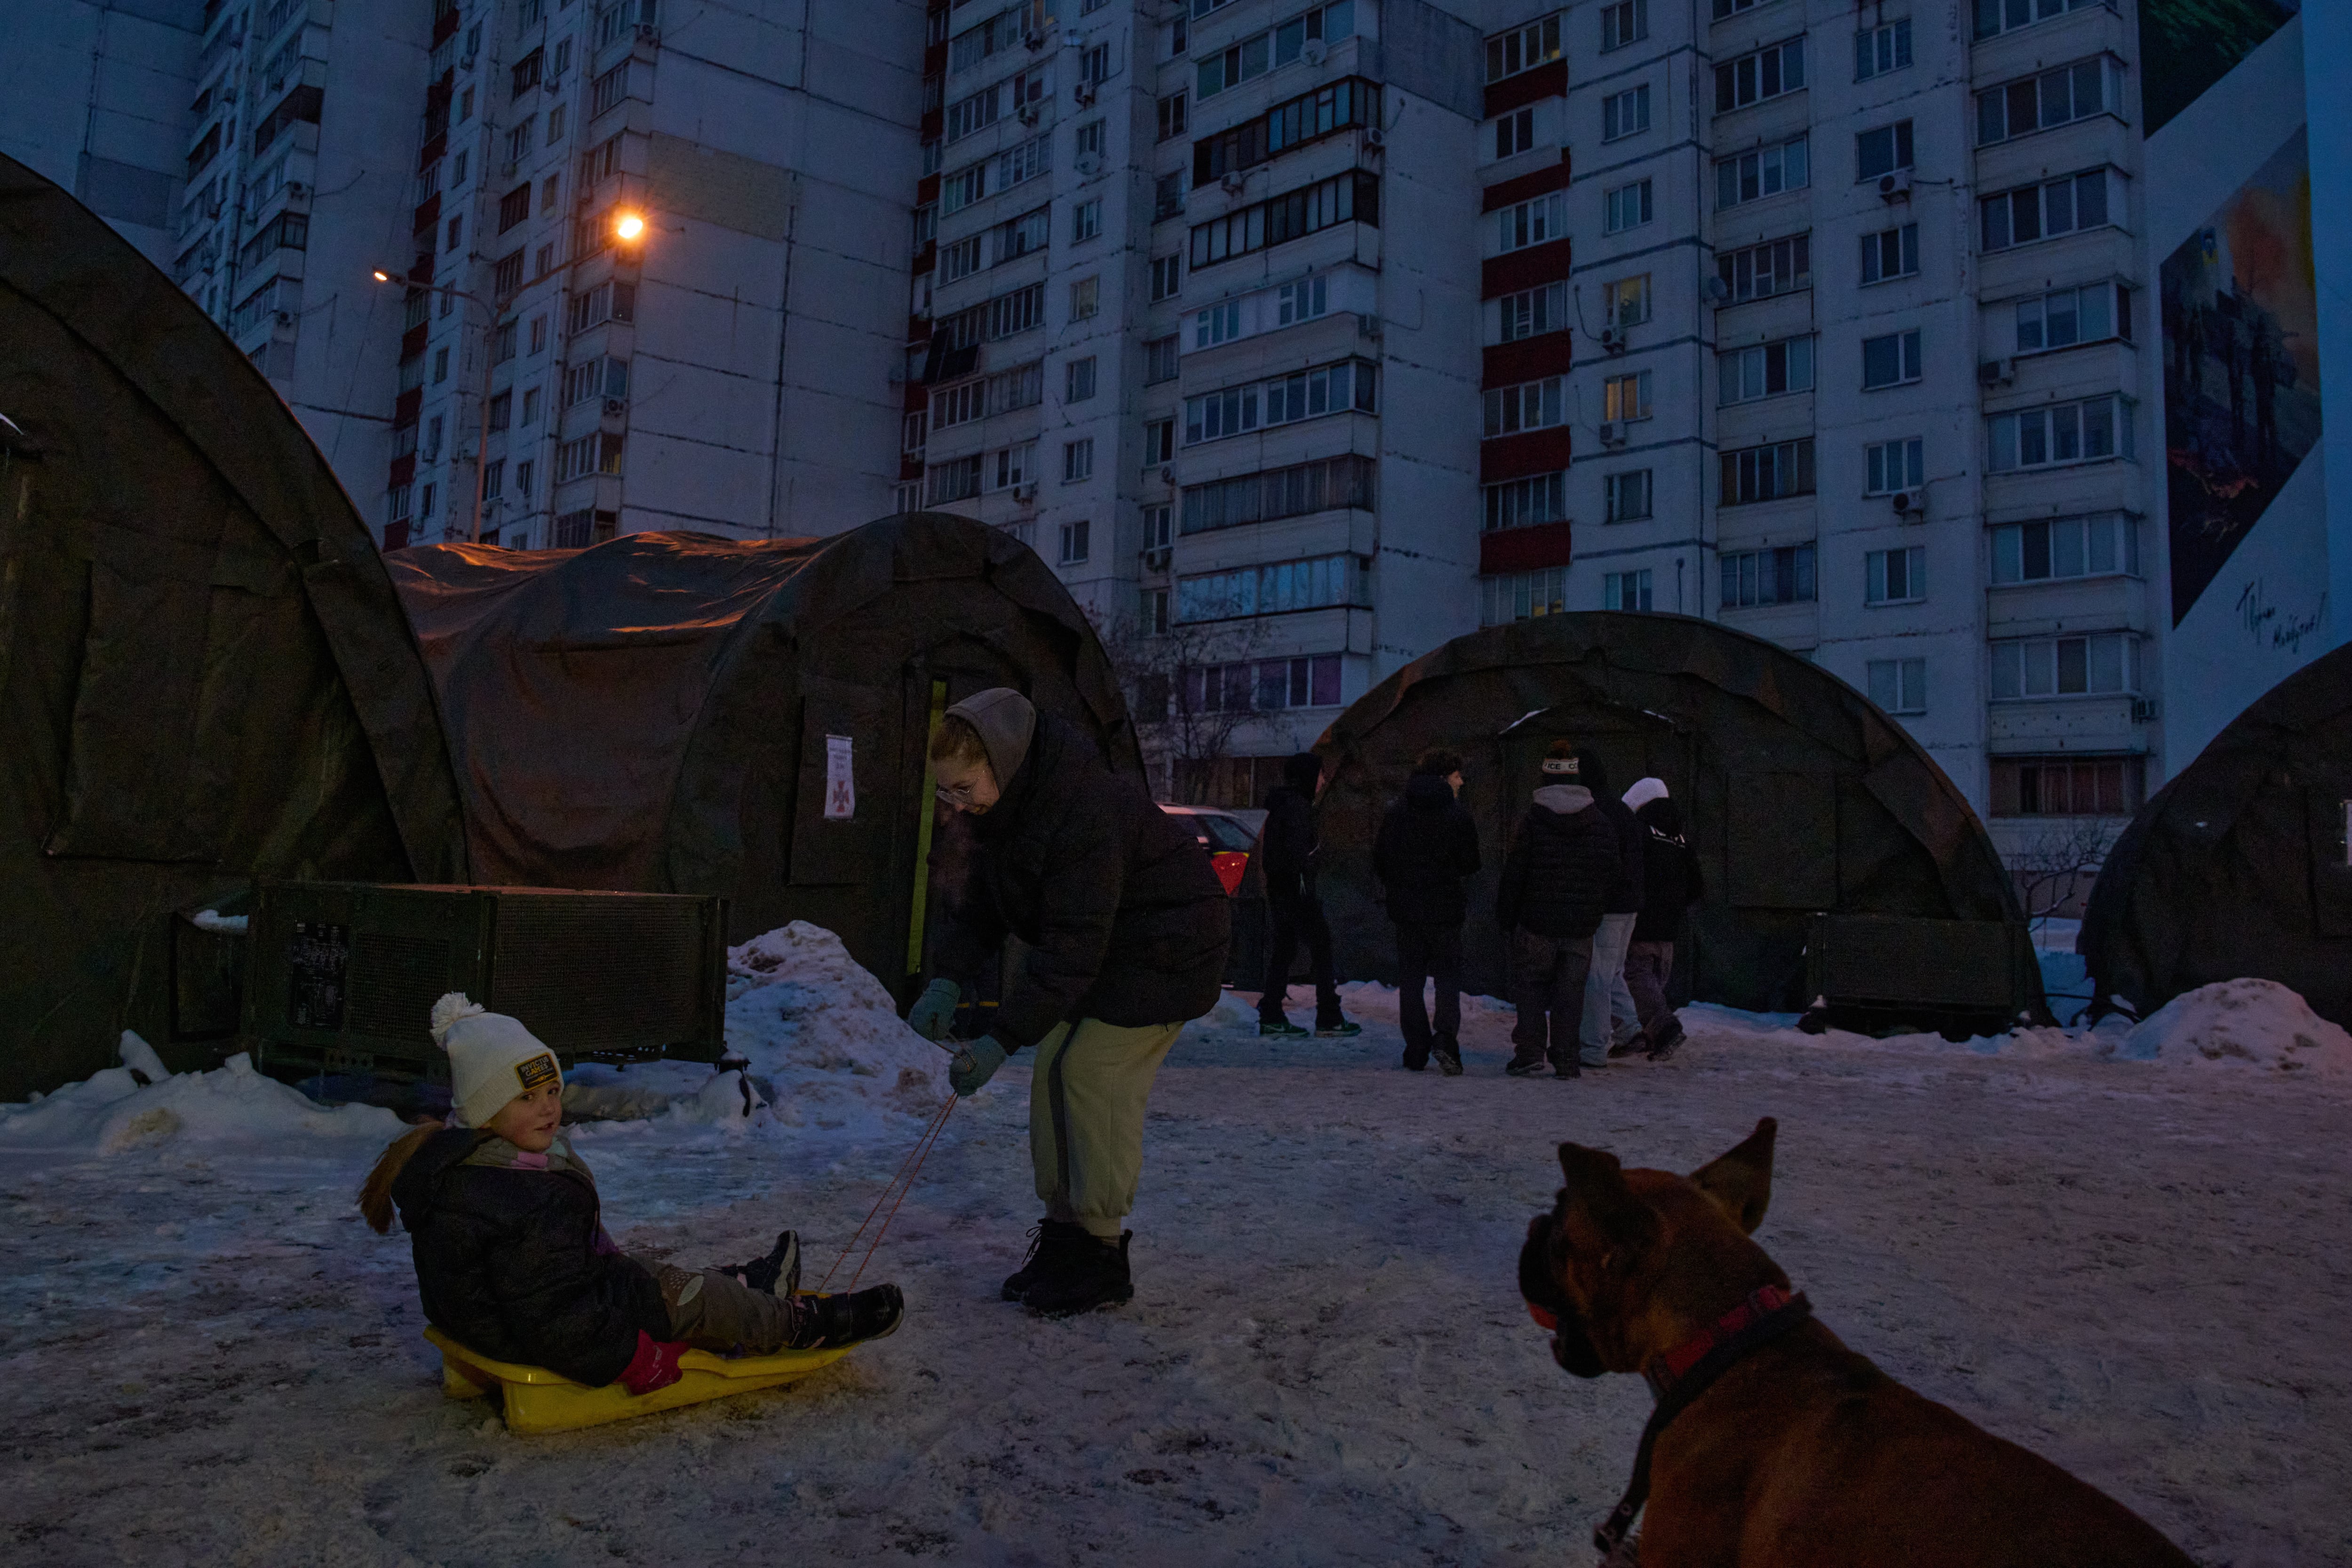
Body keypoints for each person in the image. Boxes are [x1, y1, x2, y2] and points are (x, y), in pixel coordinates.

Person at [360, 994, 902, 1395]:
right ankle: (798, 1325)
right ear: (484, 1110)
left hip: (495, 1323)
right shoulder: (520, 1196)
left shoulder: (462, 1166)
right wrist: (632, 1358)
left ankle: (748, 1284)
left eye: (551, 1091)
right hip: (549, 1337)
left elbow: (546, 1280)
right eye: (527, 1098)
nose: (549, 1109)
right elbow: (555, 1317)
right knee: (690, 1300)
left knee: (653, 1276)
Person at [905, 687, 1232, 1317]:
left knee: (1092, 1070)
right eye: (946, 791)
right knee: (1053, 1062)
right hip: (1110, 948)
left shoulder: (1083, 809)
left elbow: (1071, 946)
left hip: (1170, 947)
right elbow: (983, 907)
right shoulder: (1001, 816)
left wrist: (1000, 1037)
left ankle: (1103, 1253)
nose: (956, 803)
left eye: (965, 786)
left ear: (1004, 763)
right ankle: (1063, 1236)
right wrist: (947, 979)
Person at [1495, 740, 1621, 1078]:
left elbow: (1516, 873)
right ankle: (1567, 1059)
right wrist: (1593, 909)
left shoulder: (1533, 822)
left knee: (1532, 987)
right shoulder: (1600, 823)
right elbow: (1612, 872)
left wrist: (1507, 916)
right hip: (1581, 928)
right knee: (1571, 994)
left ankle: (1530, 1053)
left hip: (1536, 923)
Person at [1372, 747, 1480, 1075]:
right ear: (1445, 776)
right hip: (1446, 909)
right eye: (1458, 775)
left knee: (1411, 980)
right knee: (1448, 980)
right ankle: (1446, 1039)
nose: (1462, 781)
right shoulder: (1457, 814)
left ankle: (1416, 1047)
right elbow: (1471, 863)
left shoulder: (1397, 812)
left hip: (1407, 910)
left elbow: (1380, 859)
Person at [1255, 751, 1360, 1039]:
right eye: (1320, 774)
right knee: (1322, 948)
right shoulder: (1299, 808)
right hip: (1297, 892)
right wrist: (1315, 861)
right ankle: (1328, 1016)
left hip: (1282, 891)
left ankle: (1272, 1013)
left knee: (1284, 950)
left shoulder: (1281, 806)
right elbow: (1300, 853)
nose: (1324, 780)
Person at [1610, 777, 1704, 1062]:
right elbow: (1696, 886)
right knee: (1651, 985)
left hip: (1640, 926)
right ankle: (1644, 1037)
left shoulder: (1638, 833)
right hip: (1670, 932)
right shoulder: (1680, 840)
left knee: (1632, 979)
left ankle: (1665, 1030)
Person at [1574, 748, 1646, 1070]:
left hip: (1609, 907)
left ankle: (1593, 1047)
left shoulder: (1594, 812)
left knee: (1597, 977)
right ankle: (1629, 1028)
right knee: (1611, 971)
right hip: (1629, 905)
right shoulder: (1620, 810)